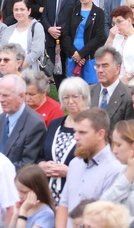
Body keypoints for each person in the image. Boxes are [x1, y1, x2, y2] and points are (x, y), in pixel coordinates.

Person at [55, 108, 123, 228]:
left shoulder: (115, 169)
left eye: (82, 132)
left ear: (100, 134)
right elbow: (64, 204)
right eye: (75, 131)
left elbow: (107, 219)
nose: (75, 137)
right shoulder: (75, 164)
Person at [38, 77, 89, 205]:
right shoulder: (55, 124)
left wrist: (70, 172)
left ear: (84, 97)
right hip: (49, 194)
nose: (70, 101)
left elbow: (98, 165)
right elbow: (41, 155)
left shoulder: (92, 126)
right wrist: (42, 165)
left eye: (75, 97)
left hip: (77, 196)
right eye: (66, 97)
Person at [0, 74, 47, 170]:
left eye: (5, 95)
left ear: (21, 96)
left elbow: (27, 165)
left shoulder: (35, 124)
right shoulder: (2, 119)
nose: (0, 99)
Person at [60, 0, 105, 83]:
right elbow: (66, 33)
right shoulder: (72, 10)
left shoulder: (98, 13)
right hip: (73, 53)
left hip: (89, 55)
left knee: (90, 87)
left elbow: (99, 37)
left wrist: (82, 54)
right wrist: (74, 54)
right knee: (73, 85)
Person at [0, 0, 45, 72]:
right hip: (9, 73)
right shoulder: (8, 29)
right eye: (16, 10)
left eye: (22, 9)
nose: (19, 12)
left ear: (29, 11)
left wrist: (18, 67)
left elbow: (37, 51)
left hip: (29, 73)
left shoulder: (36, 27)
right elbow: (1, 50)